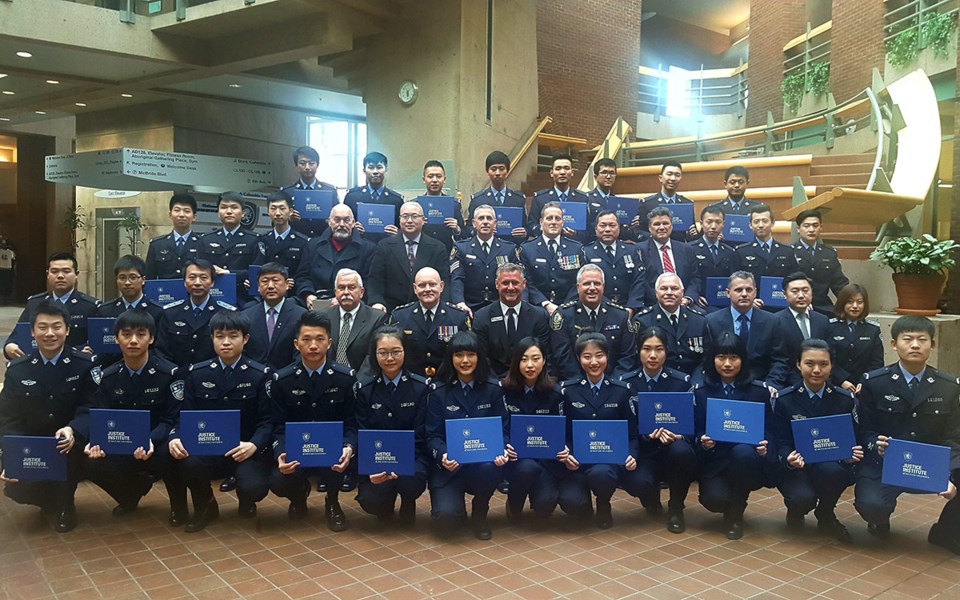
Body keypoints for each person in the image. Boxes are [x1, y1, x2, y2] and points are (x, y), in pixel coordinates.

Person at [854, 316, 960, 553]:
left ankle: (946, 531)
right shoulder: (874, 382)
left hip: (929, 467)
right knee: (871, 504)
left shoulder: (948, 386)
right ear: (894, 344)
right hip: (883, 464)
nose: (915, 345)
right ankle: (878, 520)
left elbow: (954, 436)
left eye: (922, 340)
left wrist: (949, 473)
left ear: (932, 345)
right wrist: (874, 444)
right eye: (908, 339)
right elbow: (865, 430)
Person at [74, 309, 186, 524]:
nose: (133, 340)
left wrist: (150, 440)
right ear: (116, 338)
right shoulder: (108, 376)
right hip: (122, 441)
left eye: (141, 334)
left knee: (172, 452)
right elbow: (102, 416)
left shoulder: (169, 373)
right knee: (90, 461)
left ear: (151, 338)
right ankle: (129, 496)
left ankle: (178, 507)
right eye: (126, 334)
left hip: (156, 440)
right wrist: (95, 441)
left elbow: (172, 419)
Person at [167, 312, 271, 533]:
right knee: (184, 461)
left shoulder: (260, 375)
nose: (225, 342)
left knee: (254, 486)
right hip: (208, 448)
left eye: (233, 336)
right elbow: (184, 415)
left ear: (245, 339)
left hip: (244, 450)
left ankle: (246, 500)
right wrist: (175, 437)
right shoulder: (197, 374)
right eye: (219, 336)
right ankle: (206, 505)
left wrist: (253, 445)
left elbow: (267, 421)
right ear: (211, 338)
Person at [0, 301, 96, 533]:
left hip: (69, 439)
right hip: (32, 443)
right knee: (15, 488)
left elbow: (91, 406)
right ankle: (49, 500)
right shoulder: (18, 369)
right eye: (43, 327)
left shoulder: (83, 365)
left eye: (57, 327)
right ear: (32, 331)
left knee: (69, 450)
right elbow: (7, 415)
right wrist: (12, 451)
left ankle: (65, 504)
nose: (50, 333)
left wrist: (74, 429)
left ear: (67, 330)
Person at [269, 312, 358, 531]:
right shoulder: (283, 380)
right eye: (306, 339)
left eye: (319, 339)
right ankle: (298, 497)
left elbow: (352, 421)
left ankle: (333, 502)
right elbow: (278, 426)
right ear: (296, 344)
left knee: (341, 459)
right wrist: (280, 452)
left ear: (329, 343)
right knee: (278, 481)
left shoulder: (345, 378)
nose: (313, 345)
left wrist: (349, 447)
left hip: (332, 451)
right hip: (297, 451)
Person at [773, 339, 862, 543]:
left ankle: (826, 512)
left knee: (833, 472)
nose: (816, 370)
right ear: (798, 365)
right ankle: (796, 511)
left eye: (823, 364)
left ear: (832, 366)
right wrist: (788, 457)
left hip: (830, 463)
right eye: (809, 363)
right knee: (802, 499)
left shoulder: (844, 400)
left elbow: (852, 438)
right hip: (798, 466)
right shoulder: (785, 399)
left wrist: (851, 454)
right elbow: (780, 439)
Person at [694, 332, 779, 539]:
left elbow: (770, 430)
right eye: (721, 357)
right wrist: (702, 441)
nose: (727, 364)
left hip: (747, 460)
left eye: (734, 357)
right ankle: (728, 502)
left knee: (742, 452)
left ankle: (736, 513)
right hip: (716, 461)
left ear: (743, 359)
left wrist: (765, 446)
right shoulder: (702, 392)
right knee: (714, 500)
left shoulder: (759, 392)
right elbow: (695, 430)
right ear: (712, 359)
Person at [425, 331, 509, 540]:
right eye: (458, 355)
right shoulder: (438, 391)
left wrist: (502, 450)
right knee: (446, 519)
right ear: (450, 358)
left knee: (492, 466)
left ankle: (480, 511)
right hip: (449, 468)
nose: (465, 361)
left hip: (481, 467)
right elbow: (432, 435)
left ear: (479, 357)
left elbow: (504, 431)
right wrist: (443, 455)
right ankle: (456, 508)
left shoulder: (493, 389)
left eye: (471, 354)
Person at [619, 327, 696, 533]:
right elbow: (625, 425)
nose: (653, 355)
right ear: (638, 351)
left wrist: (680, 435)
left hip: (673, 449)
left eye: (659, 349)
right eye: (647, 349)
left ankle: (676, 508)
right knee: (637, 480)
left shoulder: (682, 383)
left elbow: (692, 424)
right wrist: (644, 434)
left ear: (667, 351)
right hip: (644, 451)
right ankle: (651, 500)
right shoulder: (626, 384)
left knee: (682, 451)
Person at [558, 332, 637, 529]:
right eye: (587, 356)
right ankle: (584, 503)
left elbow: (633, 434)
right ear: (578, 359)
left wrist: (631, 455)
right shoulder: (567, 390)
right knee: (571, 503)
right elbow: (563, 432)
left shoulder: (622, 390)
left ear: (607, 356)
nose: (594, 362)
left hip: (607, 462)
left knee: (601, 475)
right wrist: (566, 453)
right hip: (577, 462)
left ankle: (603, 504)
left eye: (599, 355)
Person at [354, 326, 429, 525]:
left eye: (396, 352)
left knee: (411, 481)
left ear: (405, 351)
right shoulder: (364, 389)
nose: (390, 358)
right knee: (371, 501)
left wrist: (400, 462)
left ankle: (407, 500)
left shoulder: (421, 388)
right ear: (374, 354)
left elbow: (420, 434)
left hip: (411, 456)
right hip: (377, 457)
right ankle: (384, 503)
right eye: (383, 353)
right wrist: (375, 465)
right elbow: (362, 432)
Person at [502, 338, 565, 523]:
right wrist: (506, 444)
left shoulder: (556, 394)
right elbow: (500, 426)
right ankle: (514, 503)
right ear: (516, 362)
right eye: (524, 359)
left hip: (546, 461)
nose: (530, 365)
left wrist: (564, 448)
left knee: (545, 506)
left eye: (535, 359)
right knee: (526, 469)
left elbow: (562, 431)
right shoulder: (504, 391)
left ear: (544, 361)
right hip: (515, 460)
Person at [4, 252, 100, 360]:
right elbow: (17, 335)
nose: (60, 276)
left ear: (76, 274)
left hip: (75, 365)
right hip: (40, 365)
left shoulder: (90, 306)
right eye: (54, 271)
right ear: (48, 275)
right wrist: (9, 347)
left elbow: (97, 341)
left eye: (66, 271)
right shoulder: (35, 303)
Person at [551, 264, 636, 380]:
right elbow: (563, 356)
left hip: (614, 385)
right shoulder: (563, 315)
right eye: (586, 283)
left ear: (603, 287)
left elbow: (627, 357)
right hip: (575, 385)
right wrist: (581, 384)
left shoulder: (620, 315)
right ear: (578, 287)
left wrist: (613, 383)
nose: (592, 288)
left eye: (597, 283)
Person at [703, 271, 785, 387]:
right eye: (738, 290)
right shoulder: (711, 321)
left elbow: (779, 360)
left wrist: (771, 385)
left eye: (749, 290)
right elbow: (707, 360)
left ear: (755, 292)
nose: (744, 294)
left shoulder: (772, 321)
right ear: (728, 293)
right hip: (722, 384)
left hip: (760, 385)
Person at [367, 201, 450, 314]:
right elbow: (375, 279)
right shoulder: (384, 246)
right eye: (405, 216)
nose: (409, 221)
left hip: (427, 308)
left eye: (414, 216)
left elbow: (444, 281)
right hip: (391, 309)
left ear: (423, 220)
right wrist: (376, 302)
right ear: (399, 220)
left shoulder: (437, 247)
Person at [472, 263, 551, 379]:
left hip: (531, 380)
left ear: (524, 284)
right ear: (496, 284)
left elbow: (545, 355)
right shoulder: (482, 316)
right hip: (494, 383)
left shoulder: (539, 316)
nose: (510, 288)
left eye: (515, 283)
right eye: (505, 283)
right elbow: (482, 358)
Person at [155, 259, 236, 369]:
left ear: (212, 283)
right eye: (192, 278)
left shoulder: (226, 313)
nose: (197, 283)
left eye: (203, 278)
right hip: (177, 378)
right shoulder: (170, 314)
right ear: (184, 282)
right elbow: (162, 352)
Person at [389, 267, 470, 378]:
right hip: (411, 382)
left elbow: (467, 352)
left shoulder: (458, 316)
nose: (427, 289)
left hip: (447, 382)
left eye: (432, 284)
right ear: (415, 288)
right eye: (422, 285)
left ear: (441, 286)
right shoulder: (399, 316)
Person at [294, 204, 375, 310]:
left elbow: (369, 283)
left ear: (353, 223)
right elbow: (302, 276)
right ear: (329, 222)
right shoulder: (313, 245)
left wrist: (344, 298)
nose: (341, 224)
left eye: (346, 220)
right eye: (337, 220)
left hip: (350, 303)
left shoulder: (368, 249)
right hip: (315, 302)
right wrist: (308, 295)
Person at [317, 269, 388, 381]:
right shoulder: (323, 316)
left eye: (351, 287)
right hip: (327, 381)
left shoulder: (376, 318)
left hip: (362, 382)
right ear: (335, 292)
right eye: (341, 288)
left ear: (361, 292)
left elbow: (372, 356)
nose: (346, 292)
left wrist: (357, 384)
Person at [632, 273, 707, 378]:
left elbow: (706, 358)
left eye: (674, 288)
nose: (669, 293)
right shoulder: (643, 321)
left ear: (682, 292)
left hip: (693, 380)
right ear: (656, 293)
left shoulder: (699, 319)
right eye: (663, 288)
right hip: (659, 381)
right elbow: (637, 359)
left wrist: (696, 380)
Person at [450, 205, 521, 315]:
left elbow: (519, 279)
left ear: (495, 223)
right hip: (470, 306)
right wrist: (459, 302)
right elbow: (457, 278)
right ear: (474, 223)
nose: (485, 222)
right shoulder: (461, 248)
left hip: (501, 305)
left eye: (489, 218)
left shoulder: (509, 249)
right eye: (481, 218)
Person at [519, 202, 584, 315]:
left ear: (562, 223)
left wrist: (565, 307)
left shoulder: (576, 248)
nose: (553, 222)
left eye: (557, 219)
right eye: (549, 218)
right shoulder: (527, 249)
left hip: (571, 308)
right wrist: (546, 304)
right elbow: (527, 283)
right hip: (538, 308)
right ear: (541, 222)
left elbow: (579, 281)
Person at [239, 262, 307, 370]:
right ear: (258, 287)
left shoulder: (301, 315)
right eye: (265, 281)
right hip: (253, 379)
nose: (270, 286)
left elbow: (302, 354)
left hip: (288, 379)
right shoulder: (246, 316)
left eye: (276, 281)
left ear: (287, 285)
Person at [768, 272, 830, 388]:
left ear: (812, 293)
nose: (801, 295)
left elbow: (830, 354)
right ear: (784, 294)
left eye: (805, 290)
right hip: (787, 384)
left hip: (820, 383)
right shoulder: (775, 321)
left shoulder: (822, 320)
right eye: (795, 291)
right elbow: (777, 358)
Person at [199, 192, 259, 304]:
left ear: (243, 213)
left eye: (234, 207)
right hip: (212, 298)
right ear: (218, 212)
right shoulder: (206, 240)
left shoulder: (254, 240)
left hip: (243, 299)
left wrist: (228, 272)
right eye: (224, 207)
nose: (229, 211)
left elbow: (257, 272)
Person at [581, 210, 646, 314]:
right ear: (596, 229)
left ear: (619, 228)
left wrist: (631, 307)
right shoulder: (586, 252)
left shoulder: (632, 250)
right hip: (600, 309)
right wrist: (611, 310)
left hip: (630, 309)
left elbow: (639, 280)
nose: (607, 229)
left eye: (612, 225)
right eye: (603, 225)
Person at [638, 207, 702, 307]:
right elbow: (641, 282)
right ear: (649, 228)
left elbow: (695, 279)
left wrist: (688, 298)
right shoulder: (639, 250)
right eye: (657, 224)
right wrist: (665, 299)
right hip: (653, 304)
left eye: (665, 223)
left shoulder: (687, 249)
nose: (662, 227)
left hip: (684, 303)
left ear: (671, 226)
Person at [793, 209, 849, 315]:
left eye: (815, 225)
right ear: (798, 229)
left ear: (821, 228)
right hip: (796, 305)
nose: (811, 229)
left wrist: (849, 301)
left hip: (824, 307)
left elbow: (839, 284)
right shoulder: (789, 252)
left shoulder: (829, 253)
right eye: (806, 226)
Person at [828, 284, 883, 391]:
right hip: (836, 385)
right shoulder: (830, 327)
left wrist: (865, 381)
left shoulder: (873, 329)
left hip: (864, 386)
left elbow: (877, 362)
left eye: (859, 302)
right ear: (842, 303)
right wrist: (842, 380)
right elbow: (828, 359)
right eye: (850, 301)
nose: (855, 306)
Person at [734, 204, 795, 300]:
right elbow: (735, 282)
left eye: (765, 221)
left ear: (773, 223)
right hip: (752, 305)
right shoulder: (741, 252)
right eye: (756, 222)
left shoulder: (788, 251)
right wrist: (749, 300)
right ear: (750, 225)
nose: (761, 225)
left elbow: (795, 280)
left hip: (781, 304)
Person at [343, 151, 405, 244]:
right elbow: (343, 222)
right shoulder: (352, 197)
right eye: (371, 167)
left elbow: (403, 228)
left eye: (379, 167)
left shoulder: (396, 200)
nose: (375, 171)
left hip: (387, 248)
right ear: (364, 170)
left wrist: (398, 233)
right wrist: (352, 228)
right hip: (358, 247)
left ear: (386, 169)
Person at [465, 150, 527, 242]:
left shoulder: (518, 199)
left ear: (507, 171)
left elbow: (526, 227)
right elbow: (468, 228)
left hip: (512, 248)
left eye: (502, 169)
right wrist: (480, 230)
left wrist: (525, 232)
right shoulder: (477, 200)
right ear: (487, 172)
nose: (497, 173)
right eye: (493, 169)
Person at [527, 155, 591, 240]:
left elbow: (589, 229)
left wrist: (576, 233)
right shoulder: (540, 198)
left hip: (574, 247)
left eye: (566, 168)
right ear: (551, 173)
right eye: (558, 168)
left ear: (572, 172)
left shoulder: (582, 199)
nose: (562, 172)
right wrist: (547, 229)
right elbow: (531, 226)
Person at [283, 145, 338, 239]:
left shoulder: (329, 191)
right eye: (302, 163)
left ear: (317, 165)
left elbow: (339, 218)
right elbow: (275, 223)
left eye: (311, 163)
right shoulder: (287, 192)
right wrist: (288, 219)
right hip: (296, 242)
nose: (307, 167)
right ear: (296, 166)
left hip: (323, 241)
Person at [633, 161, 696, 242]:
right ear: (660, 178)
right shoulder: (647, 203)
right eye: (669, 174)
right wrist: (655, 236)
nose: (673, 178)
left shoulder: (687, 203)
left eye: (677, 175)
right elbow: (639, 232)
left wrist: (693, 234)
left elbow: (690, 235)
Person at [691, 205, 739, 311]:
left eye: (718, 222)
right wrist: (695, 296)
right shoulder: (690, 249)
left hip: (725, 302)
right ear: (701, 223)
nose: (713, 226)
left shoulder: (730, 251)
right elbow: (688, 278)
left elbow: (733, 279)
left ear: (723, 224)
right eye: (709, 222)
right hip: (700, 303)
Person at [145, 193, 202, 281]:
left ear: (194, 217)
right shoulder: (157, 244)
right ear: (170, 215)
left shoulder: (202, 243)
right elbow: (149, 277)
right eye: (177, 210)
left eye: (187, 211)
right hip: (165, 293)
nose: (181, 215)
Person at [253, 192, 309, 277]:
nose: (278, 213)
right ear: (268, 212)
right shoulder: (261, 240)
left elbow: (304, 274)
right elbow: (257, 269)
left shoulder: (303, 242)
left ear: (290, 211)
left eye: (282, 208)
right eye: (273, 208)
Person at [417, 160, 465, 251]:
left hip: (446, 252)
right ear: (424, 180)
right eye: (430, 176)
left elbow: (464, 235)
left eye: (439, 176)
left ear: (444, 179)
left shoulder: (454, 204)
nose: (434, 180)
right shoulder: (416, 205)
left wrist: (457, 229)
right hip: (422, 252)